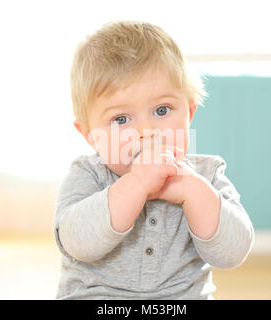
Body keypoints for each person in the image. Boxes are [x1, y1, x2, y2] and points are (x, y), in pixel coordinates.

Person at [53, 20, 254, 300]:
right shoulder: (90, 174)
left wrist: (193, 192)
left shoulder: (206, 174)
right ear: (90, 135)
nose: (146, 132)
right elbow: (76, 241)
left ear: (189, 113)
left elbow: (233, 252)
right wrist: (135, 185)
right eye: (121, 119)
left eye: (162, 110)